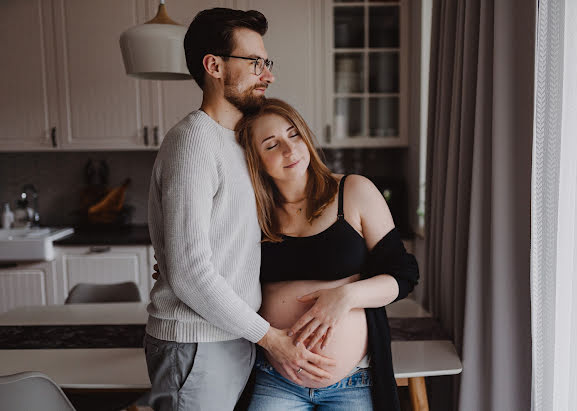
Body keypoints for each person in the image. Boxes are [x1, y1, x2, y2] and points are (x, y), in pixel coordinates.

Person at [145, 9, 335, 411]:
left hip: (229, 337)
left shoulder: (236, 143)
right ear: (214, 66)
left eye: (267, 63)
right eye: (254, 63)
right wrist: (270, 337)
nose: (267, 75)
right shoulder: (194, 142)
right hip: (198, 341)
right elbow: (190, 272)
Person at [236, 98, 420, 410]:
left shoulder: (354, 191)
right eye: (271, 144)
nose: (289, 149)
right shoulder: (250, 214)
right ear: (253, 158)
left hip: (353, 382)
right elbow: (214, 275)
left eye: (294, 134)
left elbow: (404, 274)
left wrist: (346, 297)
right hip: (273, 376)